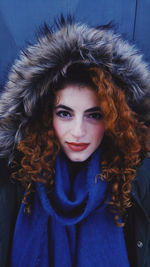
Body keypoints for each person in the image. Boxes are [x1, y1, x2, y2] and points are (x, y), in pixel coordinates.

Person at [0, 16, 150, 267]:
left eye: (94, 115)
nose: (78, 131)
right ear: (45, 116)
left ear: (114, 119)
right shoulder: (14, 179)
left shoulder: (137, 180)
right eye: (65, 113)